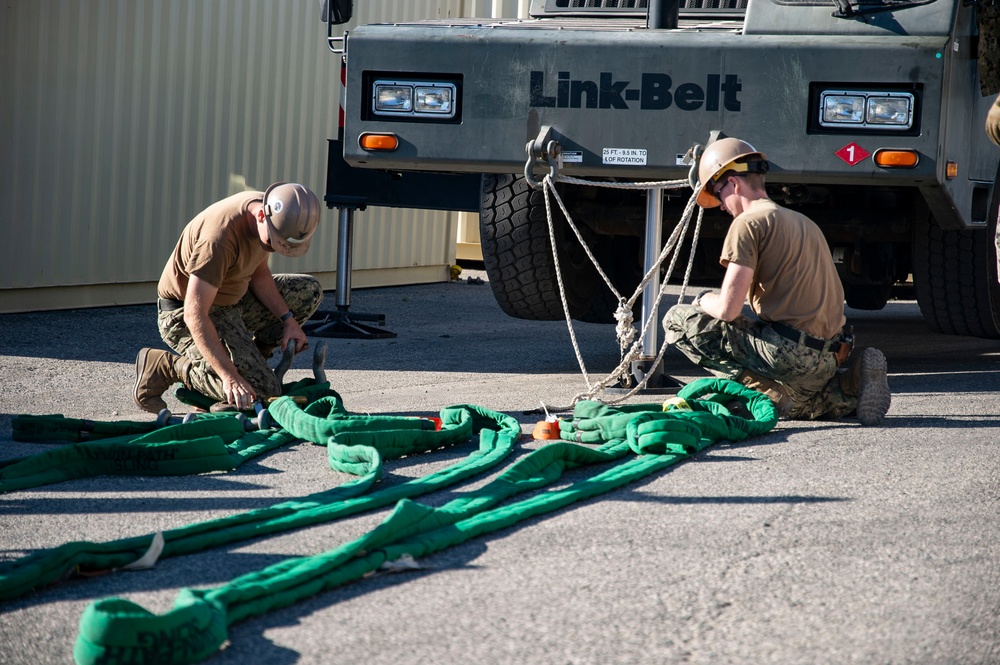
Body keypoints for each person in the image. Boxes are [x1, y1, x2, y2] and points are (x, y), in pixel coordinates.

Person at [662, 138, 891, 425]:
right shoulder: (804, 222)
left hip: (787, 354)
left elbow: (728, 310)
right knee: (803, 405)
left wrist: (701, 298)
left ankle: (769, 394)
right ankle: (851, 384)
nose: (720, 205)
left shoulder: (747, 223)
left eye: (718, 194)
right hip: (830, 357)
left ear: (733, 183)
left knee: (679, 319)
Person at [134, 182, 325, 413]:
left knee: (308, 291)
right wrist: (230, 377)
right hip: (184, 315)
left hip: (233, 302)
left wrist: (288, 320)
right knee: (263, 391)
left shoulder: (269, 216)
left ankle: (251, 361)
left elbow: (258, 272)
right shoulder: (218, 240)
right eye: (272, 243)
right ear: (262, 215)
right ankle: (166, 367)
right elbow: (195, 316)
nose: (273, 249)